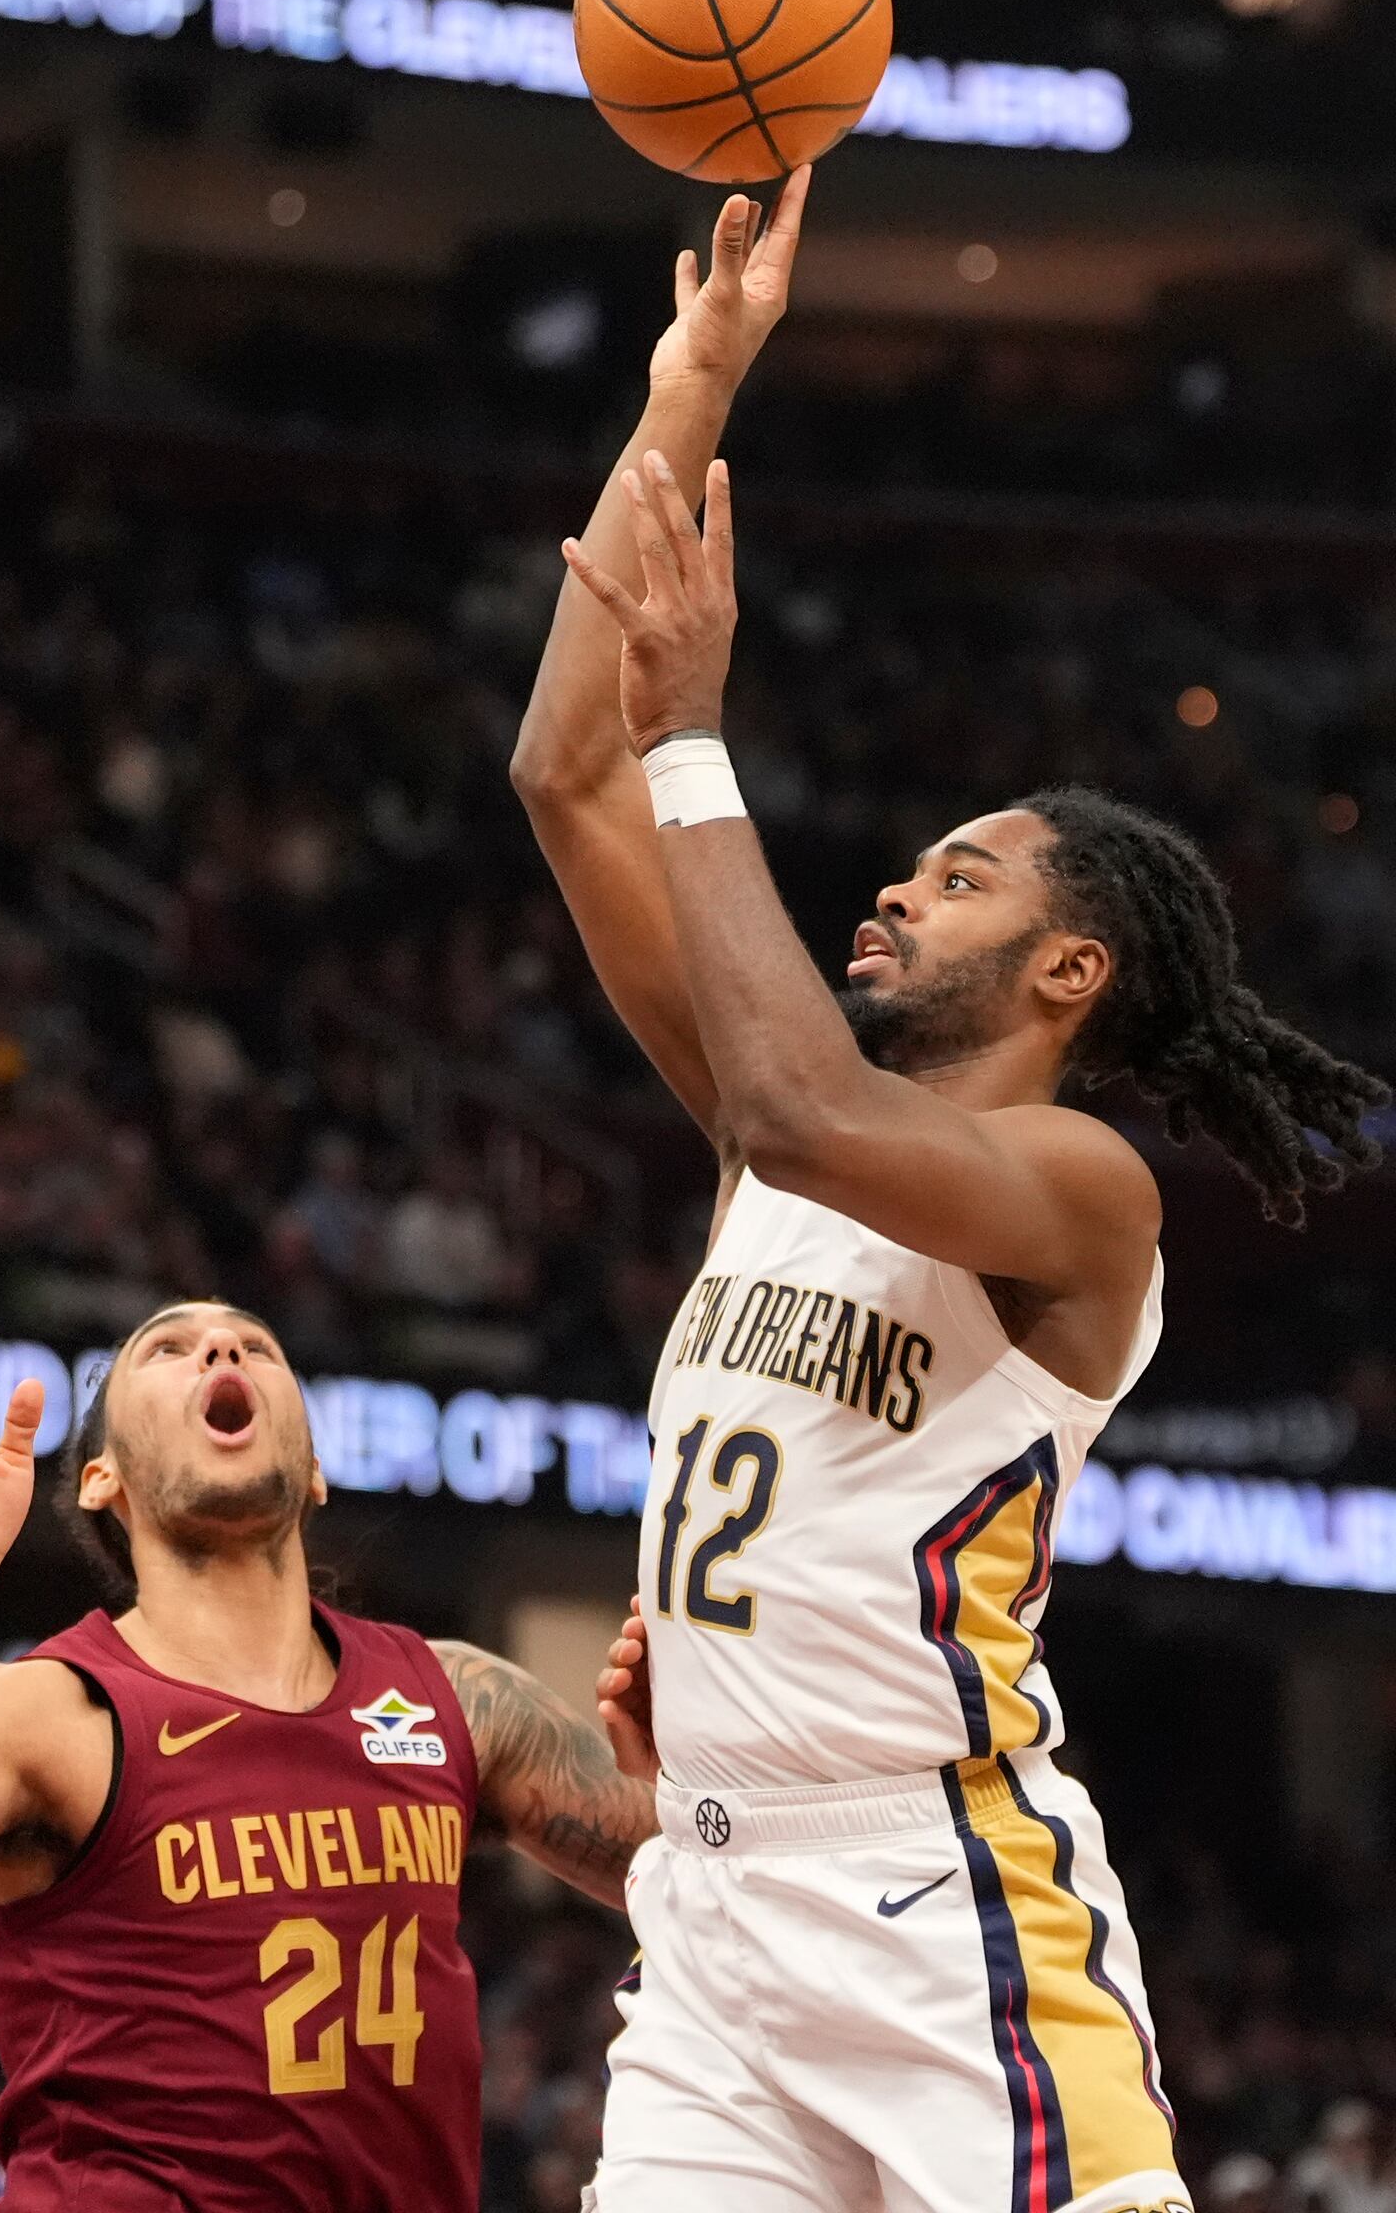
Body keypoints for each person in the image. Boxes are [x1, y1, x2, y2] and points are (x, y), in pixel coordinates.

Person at [513, 171, 1389, 2213]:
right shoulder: (762, 1125)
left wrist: (703, 741)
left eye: (964, 872)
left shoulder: (1078, 1190)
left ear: (1071, 970)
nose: (898, 882)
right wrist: (686, 395)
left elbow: (815, 1115)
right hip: (715, 1911)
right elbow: (562, 779)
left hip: (939, 1896)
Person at [0, 1300, 656, 2211]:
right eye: (167, 1348)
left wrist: (684, 1766)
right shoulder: (43, 1711)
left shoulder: (459, 1699)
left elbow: (704, 1874)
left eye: (257, 1344)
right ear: (102, 1478)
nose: (220, 1346)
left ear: (316, 1467)